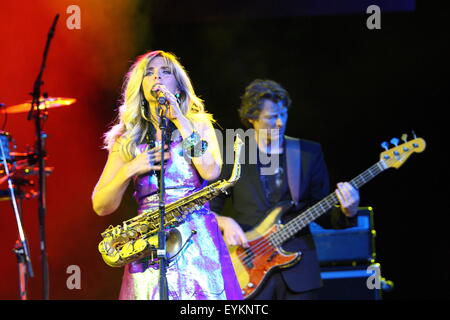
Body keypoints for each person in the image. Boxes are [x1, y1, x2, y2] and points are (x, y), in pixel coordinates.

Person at [92, 50, 242, 300]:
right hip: (147, 241)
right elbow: (101, 206)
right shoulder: (126, 139)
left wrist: (181, 121)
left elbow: (211, 171)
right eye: (149, 73)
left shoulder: (197, 123)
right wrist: (131, 168)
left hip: (198, 241)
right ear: (141, 87)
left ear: (179, 85)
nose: (156, 77)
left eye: (165, 72)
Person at [210, 79, 360, 300]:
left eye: (283, 114)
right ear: (252, 119)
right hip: (246, 267)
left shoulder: (308, 153)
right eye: (271, 117)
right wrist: (224, 222)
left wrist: (349, 211)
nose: (280, 123)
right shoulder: (232, 156)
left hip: (299, 274)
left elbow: (325, 214)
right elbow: (207, 208)